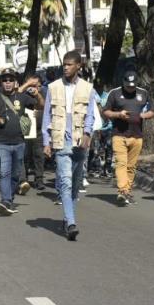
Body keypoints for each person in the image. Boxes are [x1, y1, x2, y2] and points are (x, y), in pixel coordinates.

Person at [42, 51, 97, 241]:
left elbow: (91, 114)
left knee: (75, 183)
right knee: (64, 181)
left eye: (69, 64)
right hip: (60, 141)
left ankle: (68, 218)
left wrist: (88, 133)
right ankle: (71, 222)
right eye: (64, 64)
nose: (65, 67)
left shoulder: (87, 88)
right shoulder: (53, 87)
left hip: (80, 141)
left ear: (78, 66)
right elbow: (47, 115)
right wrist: (45, 141)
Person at [103, 72, 154, 206]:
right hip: (119, 134)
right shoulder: (114, 93)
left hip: (137, 135)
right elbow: (106, 111)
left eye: (133, 86)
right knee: (121, 163)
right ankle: (123, 190)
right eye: (128, 86)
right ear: (123, 83)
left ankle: (127, 191)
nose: (130, 88)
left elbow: (152, 111)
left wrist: (143, 115)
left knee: (131, 167)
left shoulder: (143, 93)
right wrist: (118, 114)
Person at [0, 68, 38, 216]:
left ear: (15, 82)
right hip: (1, 143)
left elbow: (41, 105)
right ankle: (6, 200)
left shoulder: (22, 97)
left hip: (20, 143)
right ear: (1, 82)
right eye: (4, 80)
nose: (7, 83)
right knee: (5, 173)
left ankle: (9, 199)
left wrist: (38, 95)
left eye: (10, 80)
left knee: (15, 174)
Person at [22, 73, 46, 191]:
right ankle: (24, 179)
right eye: (32, 85)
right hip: (25, 125)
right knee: (25, 155)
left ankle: (39, 179)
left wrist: (38, 94)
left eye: (38, 85)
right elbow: (16, 96)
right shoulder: (22, 93)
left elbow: (44, 105)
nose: (35, 88)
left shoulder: (43, 92)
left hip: (39, 128)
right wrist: (26, 86)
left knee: (39, 155)